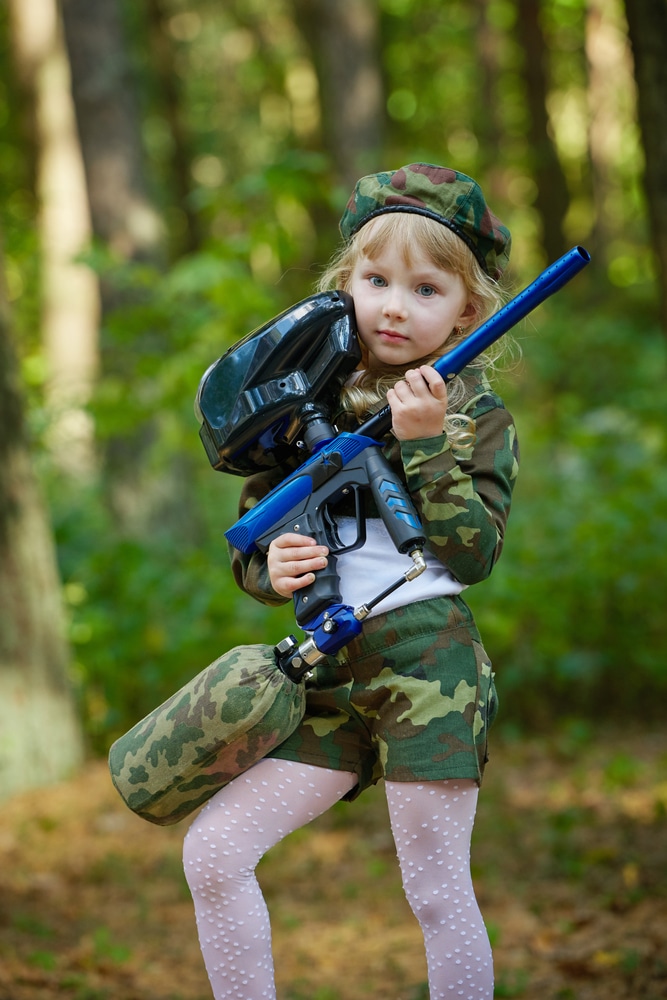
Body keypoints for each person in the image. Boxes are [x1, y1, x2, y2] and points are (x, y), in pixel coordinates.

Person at [183, 163, 519, 1000]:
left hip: (425, 666)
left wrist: (428, 441)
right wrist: (272, 567)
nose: (395, 305)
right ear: (345, 287)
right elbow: (258, 530)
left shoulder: (469, 412)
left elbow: (472, 554)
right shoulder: (302, 400)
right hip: (326, 669)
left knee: (435, 890)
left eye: (426, 288)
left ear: (466, 312)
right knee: (214, 850)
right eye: (375, 280)